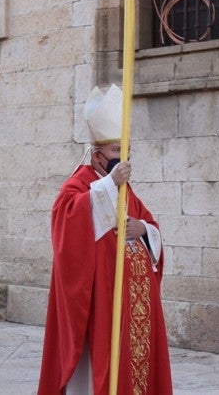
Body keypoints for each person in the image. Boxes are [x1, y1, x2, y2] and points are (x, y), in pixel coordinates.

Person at [38, 85, 172, 394]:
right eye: (115, 151)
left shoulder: (126, 190)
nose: (122, 159)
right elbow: (66, 225)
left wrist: (143, 229)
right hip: (97, 299)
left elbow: (149, 224)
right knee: (97, 368)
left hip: (130, 300)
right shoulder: (78, 184)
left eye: (126, 151)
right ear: (97, 155)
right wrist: (109, 184)